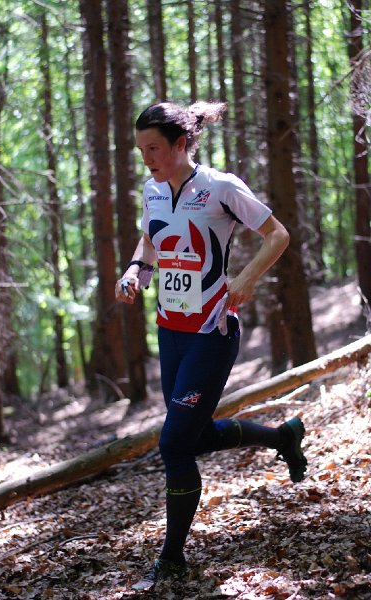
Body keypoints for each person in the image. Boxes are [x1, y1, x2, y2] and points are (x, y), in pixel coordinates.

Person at [115, 101, 307, 592]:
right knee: (193, 436)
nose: (146, 159)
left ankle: (173, 558)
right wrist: (135, 271)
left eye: (153, 148)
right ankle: (282, 438)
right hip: (170, 331)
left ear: (180, 144)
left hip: (211, 332)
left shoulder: (220, 187)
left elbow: (277, 235)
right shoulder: (153, 190)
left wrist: (246, 277)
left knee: (174, 444)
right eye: (141, 150)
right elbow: (150, 242)